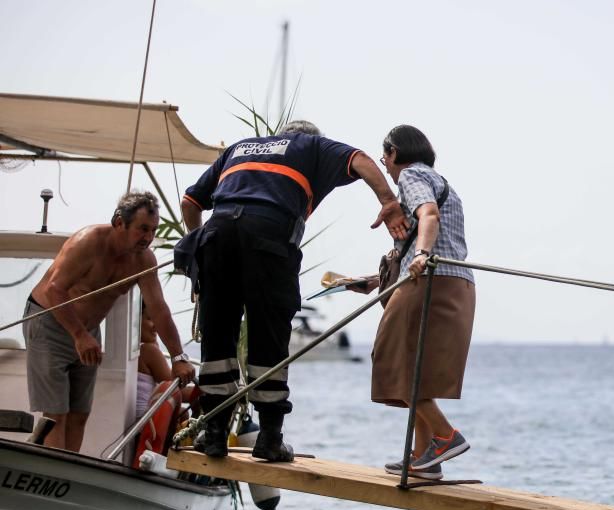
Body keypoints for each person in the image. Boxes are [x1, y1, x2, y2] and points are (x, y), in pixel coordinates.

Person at [180, 120, 405, 462]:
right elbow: (360, 160)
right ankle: (269, 439)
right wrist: (389, 200)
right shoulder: (310, 146)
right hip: (267, 237)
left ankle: (213, 434)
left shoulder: (241, 147)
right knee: (268, 334)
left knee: (218, 336)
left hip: (217, 236)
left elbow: (190, 202)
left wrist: (199, 246)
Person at [24, 191, 196, 453]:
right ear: (119, 222)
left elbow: (160, 310)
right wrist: (79, 335)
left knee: (79, 413)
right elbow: (53, 290)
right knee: (56, 413)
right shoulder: (87, 242)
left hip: (88, 332)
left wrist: (178, 356)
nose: (148, 238)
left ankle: (71, 473)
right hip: (50, 323)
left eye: (152, 230)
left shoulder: (144, 260)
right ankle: (57, 472)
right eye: (142, 229)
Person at [368, 125, 476, 480]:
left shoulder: (412, 176)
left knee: (393, 358)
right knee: (418, 369)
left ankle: (445, 437)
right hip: (455, 283)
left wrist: (423, 254)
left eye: (385, 155)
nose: (384, 163)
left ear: (395, 153)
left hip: (429, 279)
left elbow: (429, 215)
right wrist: (373, 281)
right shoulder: (442, 181)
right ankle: (424, 459)